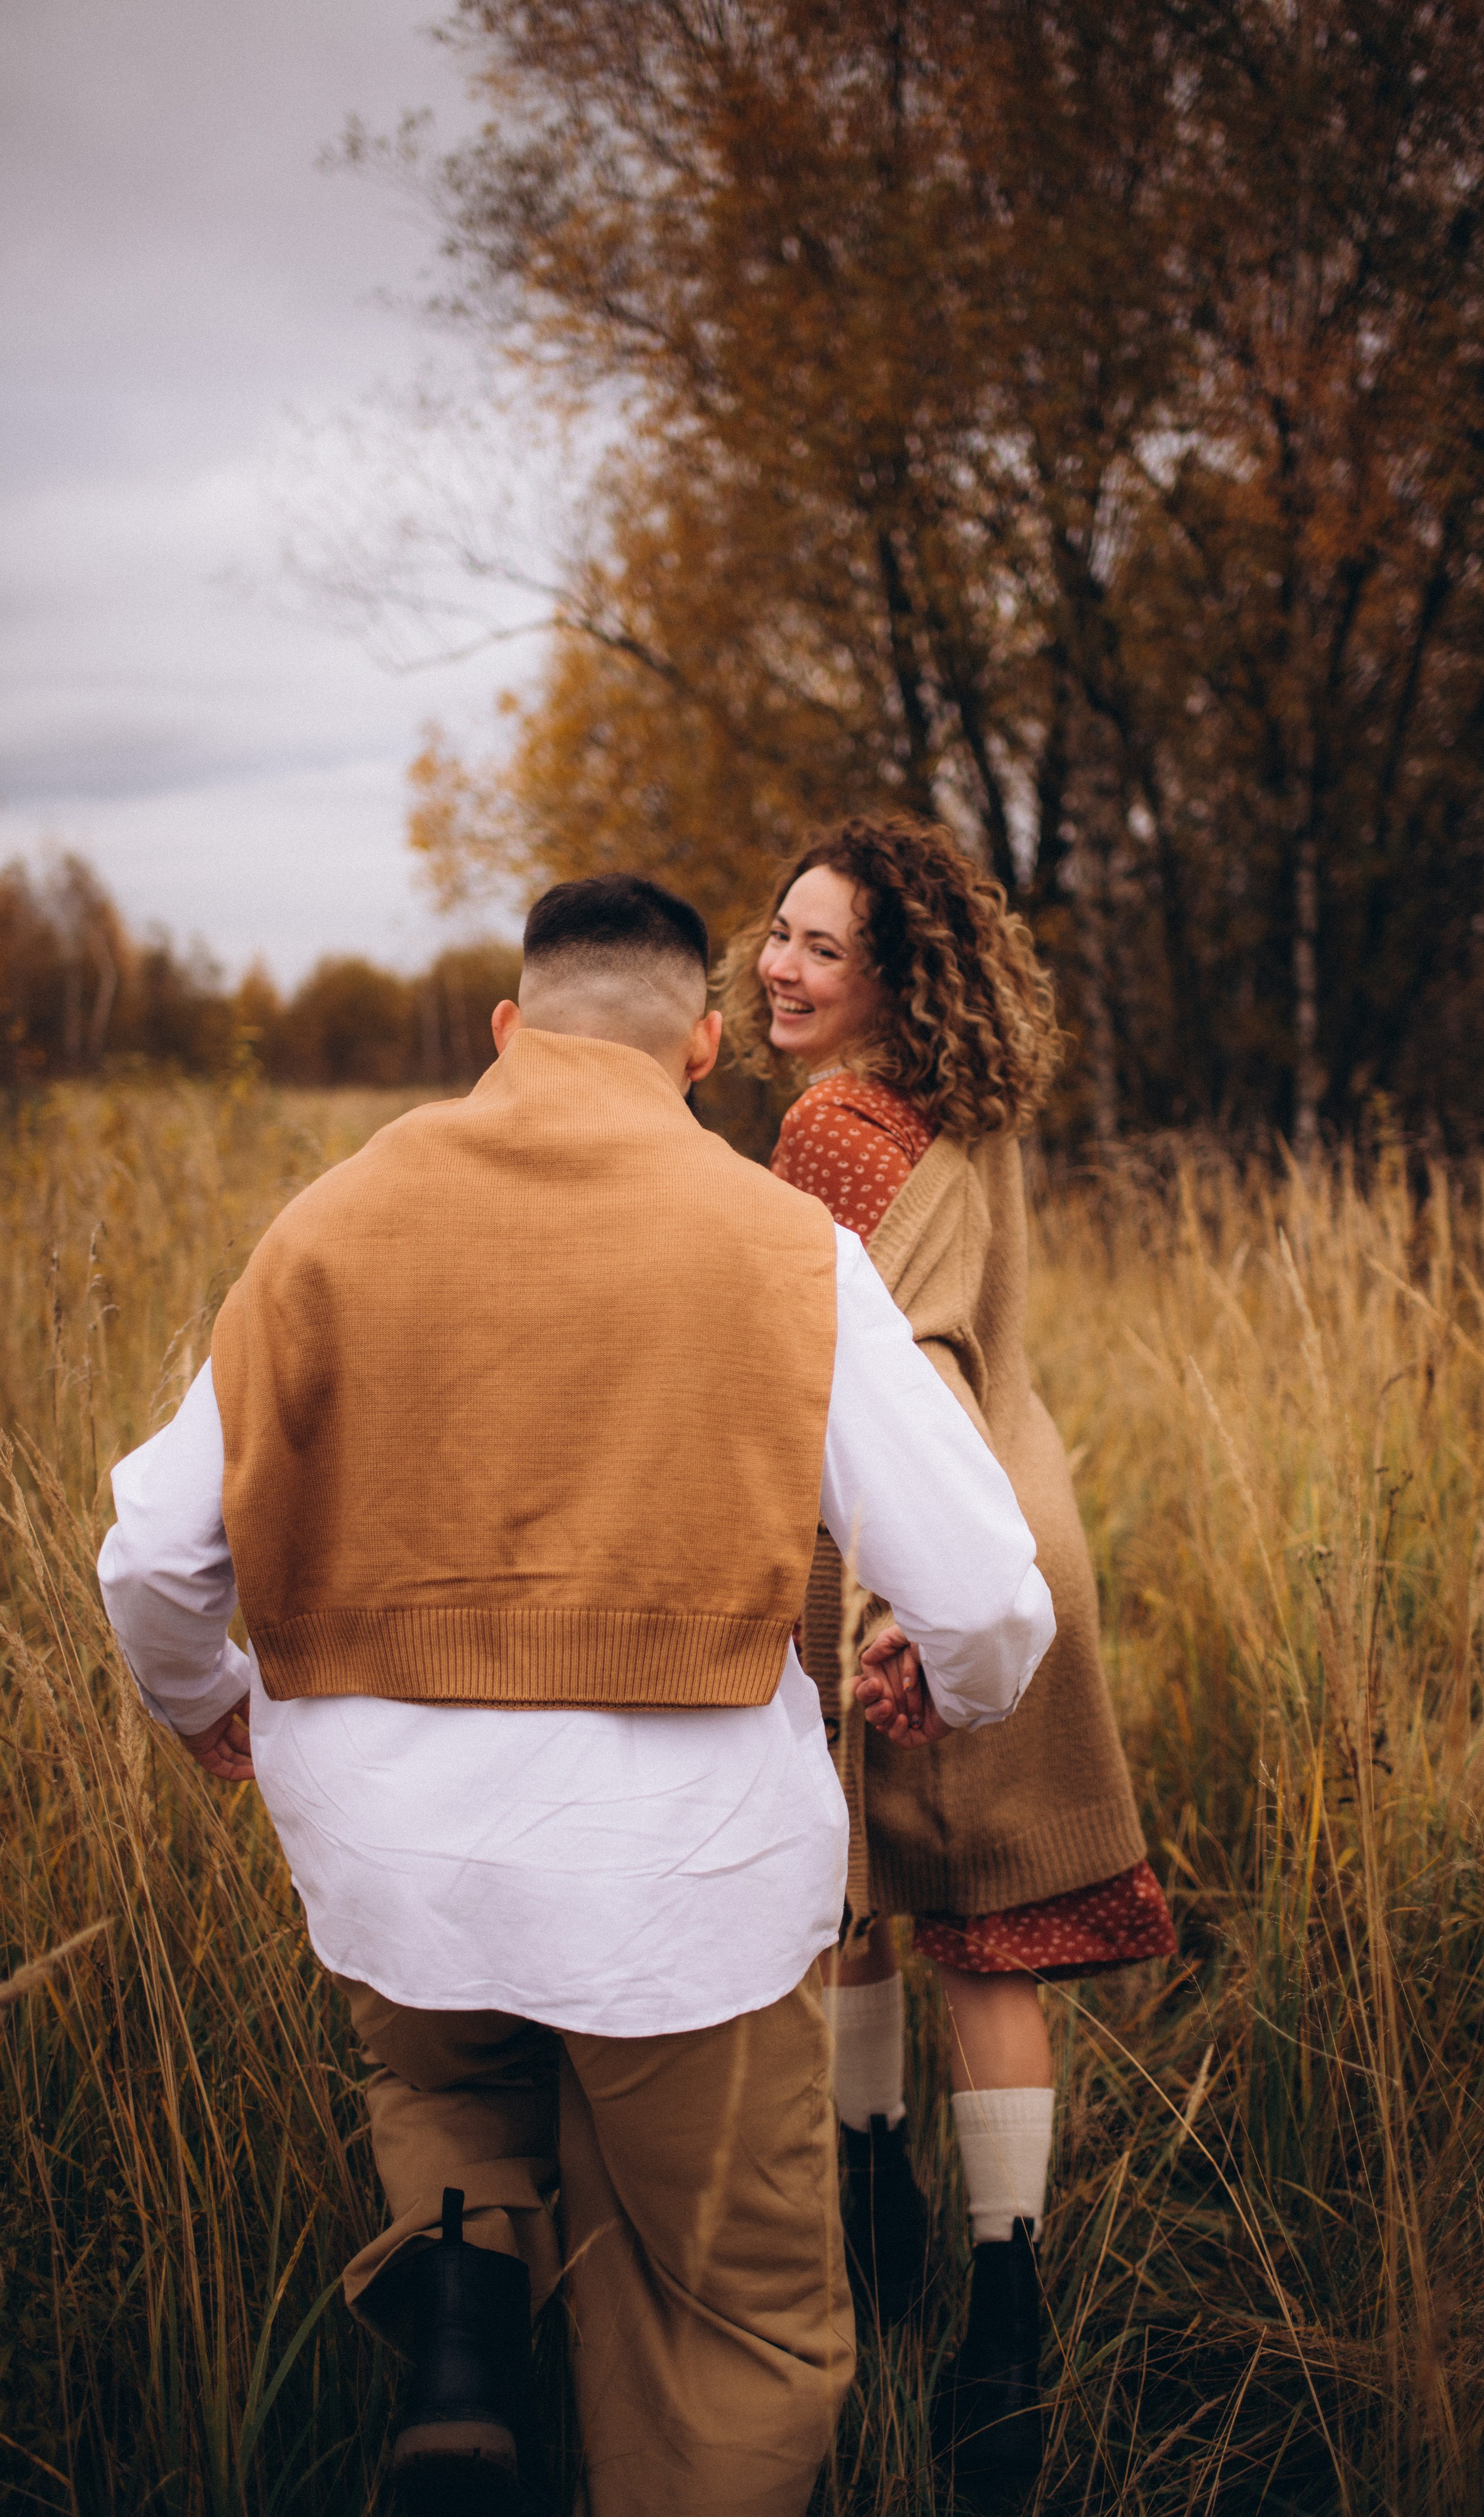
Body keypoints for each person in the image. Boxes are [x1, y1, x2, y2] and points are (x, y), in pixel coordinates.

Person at [98, 873, 1058, 2517]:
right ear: (699, 1047)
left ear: (505, 1025)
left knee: (449, 2082)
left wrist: (203, 1700)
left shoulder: (326, 1221)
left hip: (392, 1853)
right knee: (728, 2305)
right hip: (681, 1881)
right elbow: (979, 1590)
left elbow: (151, 1555)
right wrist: (959, 1691)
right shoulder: (784, 1249)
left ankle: (464, 2325)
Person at [721, 811, 1178, 2497]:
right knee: (986, 1938)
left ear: (892, 979)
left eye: (820, 947)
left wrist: (880, 1595)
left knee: (842, 1886)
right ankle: (1004, 2308)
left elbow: (806, 1366)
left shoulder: (830, 1126)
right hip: (1013, 1521)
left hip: (898, 1546)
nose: (778, 966)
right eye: (777, 932)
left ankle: (869, 2203)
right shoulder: (970, 1116)